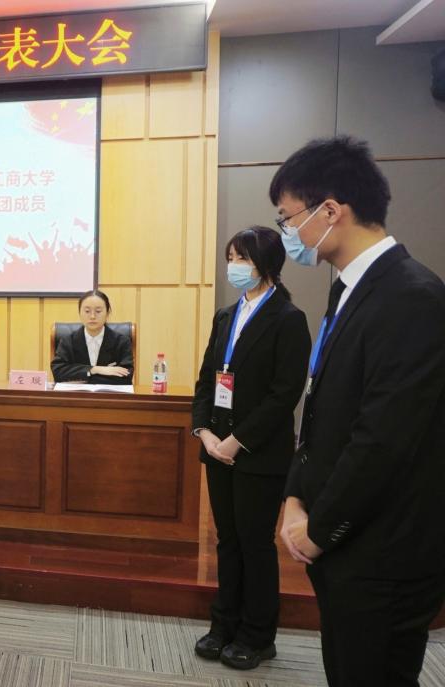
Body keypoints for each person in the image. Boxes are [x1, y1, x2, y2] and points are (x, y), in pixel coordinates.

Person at [272, 136, 445, 686]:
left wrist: (321, 528)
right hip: (345, 544)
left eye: (287, 218)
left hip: (382, 554)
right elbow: (321, 406)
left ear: (330, 211)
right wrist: (295, 497)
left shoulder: (411, 296)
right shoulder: (348, 289)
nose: (287, 233)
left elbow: (384, 439)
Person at [190, 227, 311, 669]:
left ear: (266, 263)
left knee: (255, 542)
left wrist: (237, 440)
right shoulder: (226, 315)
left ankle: (257, 635)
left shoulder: (288, 318)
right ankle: (223, 624)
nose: (233, 266)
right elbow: (207, 379)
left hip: (257, 452)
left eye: (241, 258)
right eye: (230, 258)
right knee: (227, 540)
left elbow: (284, 394)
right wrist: (204, 431)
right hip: (216, 448)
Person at [50, 289, 134, 385]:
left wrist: (82, 376)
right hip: (76, 394)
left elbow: (126, 377)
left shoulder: (122, 342)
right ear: (80, 313)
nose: (92, 316)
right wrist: (94, 369)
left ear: (107, 313)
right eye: (87, 311)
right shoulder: (68, 341)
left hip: (108, 394)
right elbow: (58, 372)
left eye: (98, 311)